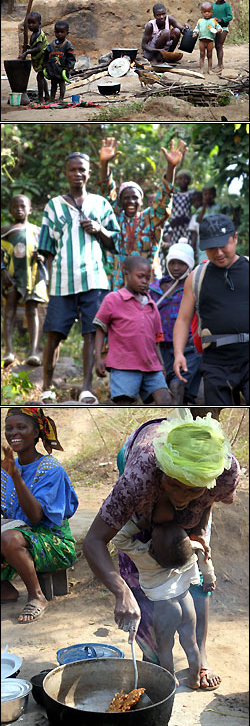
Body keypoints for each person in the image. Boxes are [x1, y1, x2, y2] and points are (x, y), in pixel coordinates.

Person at [84, 410, 240, 689]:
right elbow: (95, 540)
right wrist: (122, 592)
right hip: (142, 458)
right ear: (162, 472)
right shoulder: (139, 479)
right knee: (141, 577)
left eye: (188, 489)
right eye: (172, 483)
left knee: (194, 571)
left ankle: (196, 659)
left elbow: (210, 500)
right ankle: (151, 655)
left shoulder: (225, 473)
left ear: (207, 483)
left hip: (193, 497)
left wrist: (198, 532)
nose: (177, 495)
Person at [38, 150, 119, 396]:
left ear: (89, 173)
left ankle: (86, 388)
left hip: (94, 279)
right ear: (65, 173)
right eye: (72, 169)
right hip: (62, 281)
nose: (77, 174)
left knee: (91, 333)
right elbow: (46, 249)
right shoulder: (53, 207)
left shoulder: (101, 204)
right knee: (53, 333)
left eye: (82, 169)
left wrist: (99, 229)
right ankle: (47, 387)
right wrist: (46, 282)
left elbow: (115, 242)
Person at [1, 405, 78, 622]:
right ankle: (5, 589)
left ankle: (36, 597)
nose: (13, 433)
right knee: (7, 536)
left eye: (21, 427)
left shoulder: (50, 468)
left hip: (54, 542)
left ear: (36, 432)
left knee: (8, 538)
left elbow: (35, 518)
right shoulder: (7, 467)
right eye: (9, 428)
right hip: (20, 537)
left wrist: (16, 476)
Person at [173, 214, 249, 404]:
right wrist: (178, 353)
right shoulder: (197, 277)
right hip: (215, 363)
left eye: (223, 245)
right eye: (211, 248)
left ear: (235, 238)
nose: (218, 253)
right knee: (220, 418)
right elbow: (182, 319)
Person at [99, 134, 186, 284]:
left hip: (149, 284)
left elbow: (164, 198)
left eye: (135, 197)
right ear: (120, 201)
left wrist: (171, 166)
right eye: (126, 198)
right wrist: (104, 163)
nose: (130, 201)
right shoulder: (116, 219)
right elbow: (107, 193)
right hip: (121, 284)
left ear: (142, 200)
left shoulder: (151, 219)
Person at [94, 252, 170, 404]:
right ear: (126, 274)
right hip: (123, 365)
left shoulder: (151, 305)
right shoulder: (113, 299)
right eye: (140, 276)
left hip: (151, 366)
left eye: (147, 278)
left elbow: (156, 340)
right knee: (124, 403)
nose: (144, 281)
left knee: (165, 399)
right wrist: (98, 358)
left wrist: (161, 364)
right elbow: (100, 328)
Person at [149, 240, 202, 401]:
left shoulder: (195, 288)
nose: (176, 268)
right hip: (160, 348)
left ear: (190, 265)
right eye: (172, 263)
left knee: (177, 385)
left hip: (188, 349)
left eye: (181, 263)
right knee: (163, 387)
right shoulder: (154, 289)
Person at [2, 193, 48, 367]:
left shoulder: (38, 231)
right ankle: (9, 350)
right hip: (13, 275)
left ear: (30, 209)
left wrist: (41, 258)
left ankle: (34, 351)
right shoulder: (6, 231)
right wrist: (2, 270)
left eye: (23, 206)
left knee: (33, 311)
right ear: (10, 210)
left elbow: (46, 253)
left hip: (33, 276)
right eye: (15, 207)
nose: (19, 210)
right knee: (9, 310)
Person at [44, 20, 76, 101]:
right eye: (57, 32)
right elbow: (46, 55)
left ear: (67, 33)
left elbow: (71, 57)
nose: (59, 34)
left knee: (62, 84)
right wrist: (45, 64)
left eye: (62, 32)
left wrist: (69, 67)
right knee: (53, 84)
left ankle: (61, 98)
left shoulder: (68, 45)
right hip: (53, 69)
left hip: (62, 69)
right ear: (54, 32)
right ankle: (52, 98)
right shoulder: (51, 45)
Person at [23, 10, 50, 101]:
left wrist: (27, 52)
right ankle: (46, 95)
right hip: (39, 58)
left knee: (39, 77)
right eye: (29, 23)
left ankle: (41, 97)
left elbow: (38, 48)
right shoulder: (34, 34)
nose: (30, 25)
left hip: (43, 58)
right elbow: (35, 46)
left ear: (39, 23)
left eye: (33, 23)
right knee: (42, 77)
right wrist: (29, 47)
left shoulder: (39, 34)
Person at [192, 1, 223, 73]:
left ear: (212, 12)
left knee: (210, 55)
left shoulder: (213, 21)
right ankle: (201, 69)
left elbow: (219, 28)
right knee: (202, 54)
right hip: (202, 40)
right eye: (204, 12)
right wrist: (195, 33)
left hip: (210, 41)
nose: (207, 13)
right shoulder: (200, 21)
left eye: (208, 12)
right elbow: (197, 28)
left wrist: (218, 30)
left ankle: (210, 69)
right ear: (201, 13)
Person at [212, 0, 234, 72]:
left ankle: (220, 65)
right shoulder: (213, 5)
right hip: (214, 28)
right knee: (216, 46)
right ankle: (219, 64)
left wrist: (221, 20)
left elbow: (230, 16)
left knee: (219, 45)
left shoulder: (226, 6)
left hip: (223, 28)